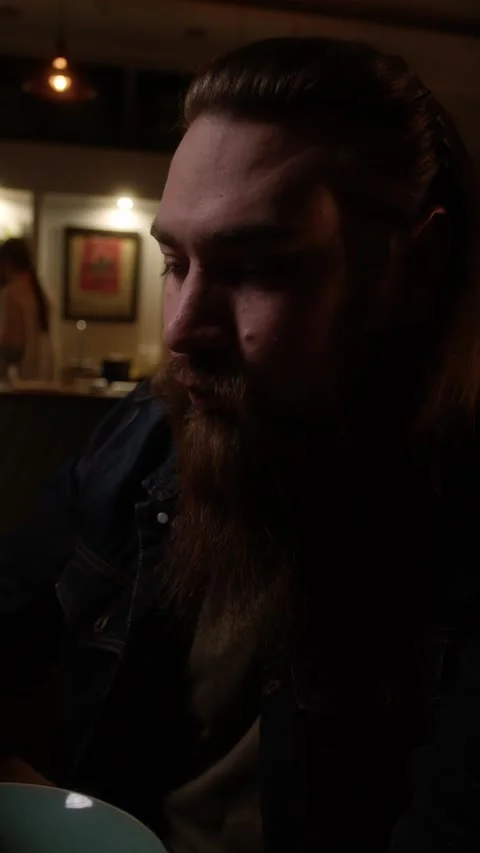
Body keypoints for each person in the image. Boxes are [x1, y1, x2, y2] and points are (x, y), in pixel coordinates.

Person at [0, 35, 479, 853]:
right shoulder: (141, 447)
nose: (183, 331)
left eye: (261, 268)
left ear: (415, 268)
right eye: (175, 262)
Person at [0, 237, 54, 380]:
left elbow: (11, 343)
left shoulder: (12, 293)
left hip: (16, 375)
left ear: (8, 263)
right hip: (39, 373)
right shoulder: (39, 293)